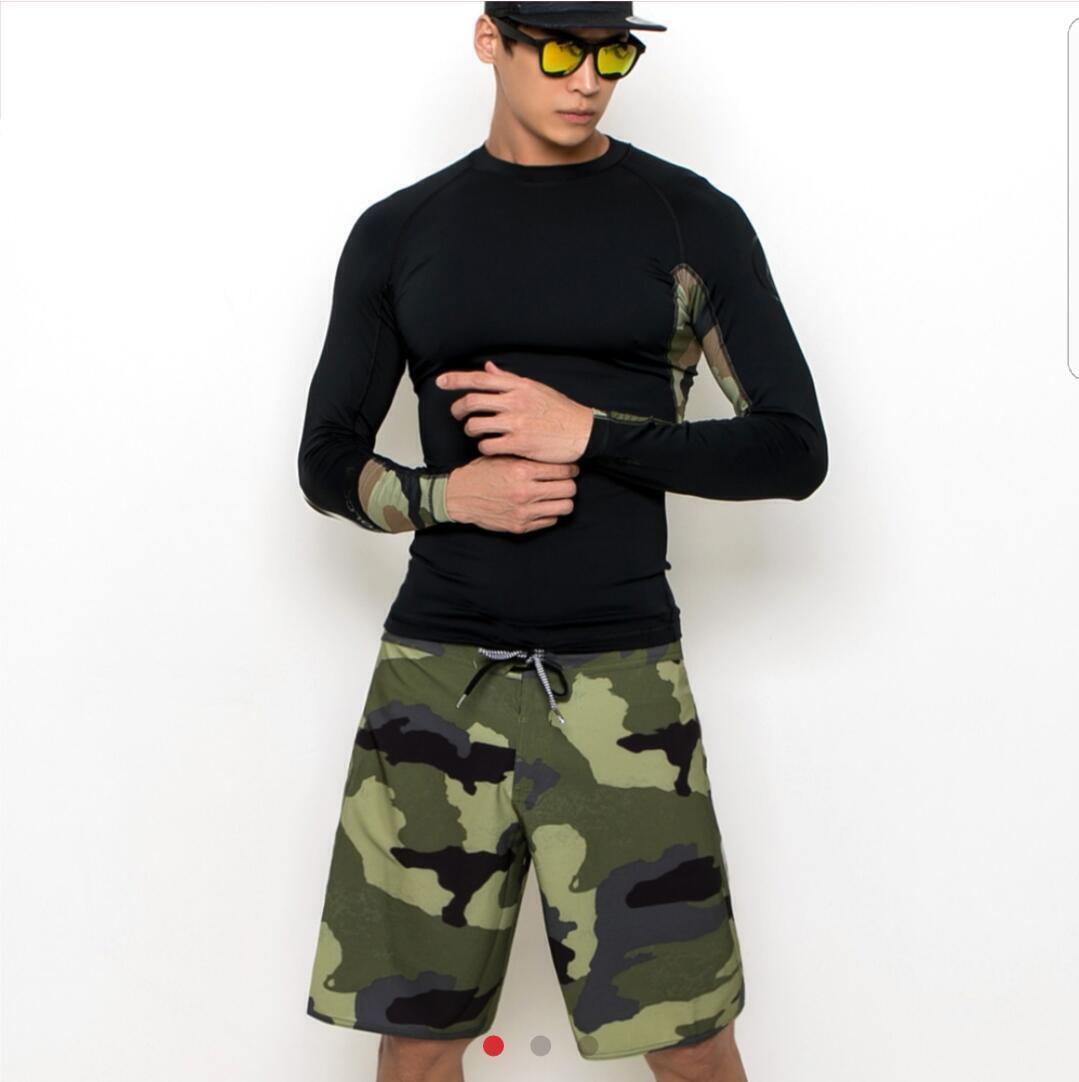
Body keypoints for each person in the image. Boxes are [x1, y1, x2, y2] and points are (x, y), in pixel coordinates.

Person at [297, 2, 827, 1079]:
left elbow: (790, 448)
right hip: (435, 676)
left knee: (691, 1043)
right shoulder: (402, 230)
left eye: (611, 53)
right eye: (556, 50)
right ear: (487, 39)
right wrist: (451, 496)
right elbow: (325, 459)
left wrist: (589, 432)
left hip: (621, 676)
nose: (587, 80)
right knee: (417, 1040)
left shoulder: (688, 221)